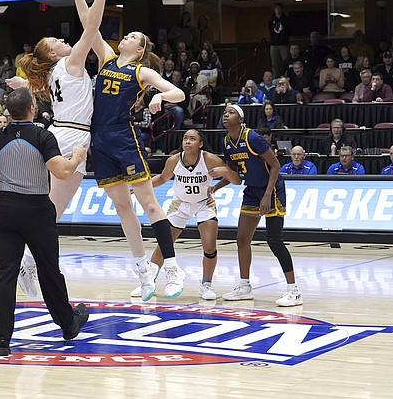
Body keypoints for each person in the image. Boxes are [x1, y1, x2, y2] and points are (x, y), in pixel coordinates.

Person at [6, 0, 116, 296]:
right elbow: (92, 25)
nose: (63, 39)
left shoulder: (54, 71)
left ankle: (29, 259)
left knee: (51, 208)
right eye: (57, 40)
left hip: (62, 132)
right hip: (71, 136)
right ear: (54, 53)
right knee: (52, 209)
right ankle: (27, 262)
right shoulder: (70, 64)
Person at [0, 88, 89, 357]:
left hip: (6, 212)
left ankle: (1, 342)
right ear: (32, 108)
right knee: (49, 271)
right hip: (37, 211)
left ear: (10, 112)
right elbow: (63, 171)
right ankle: (68, 325)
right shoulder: (42, 136)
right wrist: (78, 156)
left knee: (6, 277)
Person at [89, 27, 187, 299]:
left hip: (124, 139)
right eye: (127, 35)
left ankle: (172, 268)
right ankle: (144, 272)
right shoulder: (107, 59)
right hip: (100, 141)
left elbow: (178, 93)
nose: (126, 37)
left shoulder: (142, 72)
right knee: (123, 206)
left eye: (133, 37)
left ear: (140, 50)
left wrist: (160, 95)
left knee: (149, 204)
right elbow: (91, 24)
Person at [130, 129, 240, 300]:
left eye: (192, 139)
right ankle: (148, 281)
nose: (188, 142)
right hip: (180, 204)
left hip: (204, 203)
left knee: (210, 247)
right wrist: (140, 188)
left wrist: (225, 171)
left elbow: (237, 180)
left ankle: (206, 285)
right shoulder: (174, 160)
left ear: (200, 143)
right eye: (185, 138)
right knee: (164, 245)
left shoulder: (209, 159)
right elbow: (161, 178)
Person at [214, 104, 301, 307]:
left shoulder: (252, 137)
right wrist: (217, 185)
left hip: (272, 190)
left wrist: (268, 194)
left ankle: (293, 290)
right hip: (252, 191)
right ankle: (244, 287)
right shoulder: (226, 142)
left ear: (241, 119)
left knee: (274, 240)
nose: (226, 115)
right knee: (242, 239)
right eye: (224, 112)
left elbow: (275, 165)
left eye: (231, 112)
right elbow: (235, 175)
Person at [269, 3, 290, 80]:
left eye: (279, 8)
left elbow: (288, 31)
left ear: (281, 9)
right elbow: (271, 31)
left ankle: (286, 76)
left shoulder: (286, 19)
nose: (277, 10)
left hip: (283, 43)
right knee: (274, 62)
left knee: (285, 61)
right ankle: (275, 77)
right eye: (276, 9)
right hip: (274, 44)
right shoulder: (271, 20)